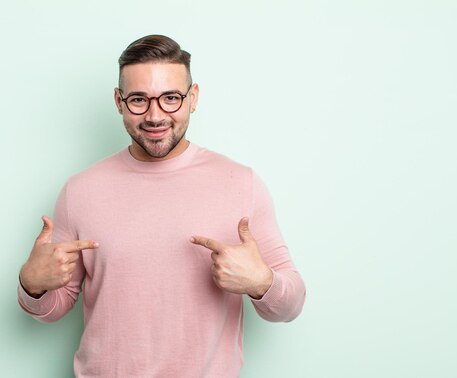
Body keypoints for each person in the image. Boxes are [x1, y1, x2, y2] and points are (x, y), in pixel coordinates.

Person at [18, 34, 306, 377]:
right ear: (118, 101)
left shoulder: (241, 183)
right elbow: (54, 307)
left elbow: (290, 304)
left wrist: (262, 283)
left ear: (193, 97)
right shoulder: (80, 190)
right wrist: (32, 286)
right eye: (139, 99)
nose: (155, 116)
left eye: (171, 98)